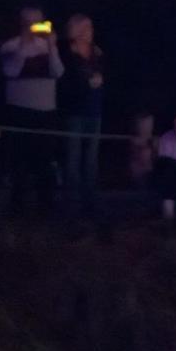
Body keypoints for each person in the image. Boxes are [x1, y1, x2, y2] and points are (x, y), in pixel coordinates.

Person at [0, 7, 63, 213]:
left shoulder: (47, 46)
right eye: (29, 21)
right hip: (20, 109)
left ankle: (46, 204)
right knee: (20, 160)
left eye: (37, 21)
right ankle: (17, 205)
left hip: (46, 110)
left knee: (45, 160)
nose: (34, 25)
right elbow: (10, 71)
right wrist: (23, 47)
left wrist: (52, 46)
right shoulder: (11, 46)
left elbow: (58, 71)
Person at [59, 14, 109, 211]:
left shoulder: (97, 52)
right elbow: (64, 82)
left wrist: (99, 79)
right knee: (72, 158)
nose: (90, 31)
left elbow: (104, 72)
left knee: (91, 159)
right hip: (74, 111)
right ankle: (71, 202)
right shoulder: (66, 52)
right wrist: (85, 83)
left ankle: (90, 201)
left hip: (94, 111)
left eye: (91, 27)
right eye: (87, 27)